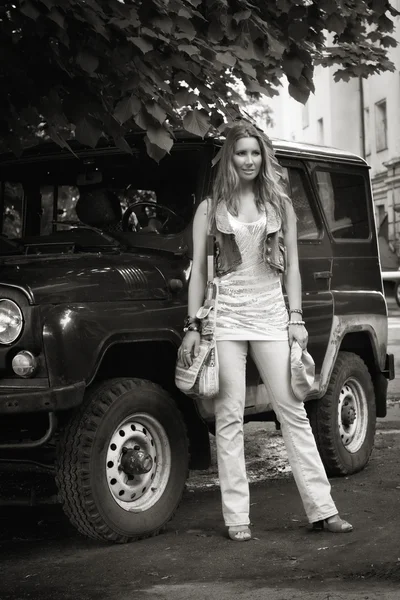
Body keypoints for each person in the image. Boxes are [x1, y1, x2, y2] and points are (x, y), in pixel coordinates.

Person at [178, 122, 353, 542]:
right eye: (241, 153)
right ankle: (236, 517)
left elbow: (292, 268)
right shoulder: (209, 208)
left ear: (264, 157)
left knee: (293, 410)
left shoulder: (280, 206)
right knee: (229, 416)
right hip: (224, 320)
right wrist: (193, 327)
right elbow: (197, 272)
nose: (249, 161)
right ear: (229, 158)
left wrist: (296, 319)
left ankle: (323, 509)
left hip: (272, 317)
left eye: (255, 153)